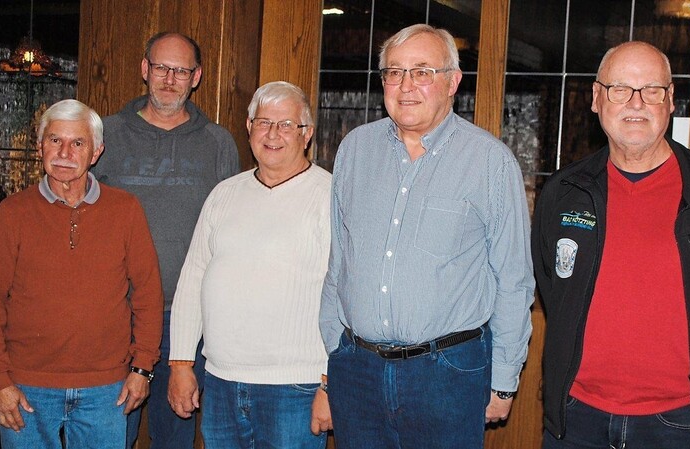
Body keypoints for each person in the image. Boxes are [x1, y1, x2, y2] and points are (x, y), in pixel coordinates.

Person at [532, 41, 690, 449]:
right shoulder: (564, 192)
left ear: (670, 100)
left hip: (683, 422)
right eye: (620, 88)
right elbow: (554, 289)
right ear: (596, 99)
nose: (636, 103)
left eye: (652, 90)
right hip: (576, 419)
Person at [319, 24, 535, 448]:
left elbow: (514, 281)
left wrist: (505, 381)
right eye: (393, 72)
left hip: (447, 375)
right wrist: (335, 350)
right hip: (357, 370)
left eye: (422, 72)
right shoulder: (355, 149)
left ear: (453, 81)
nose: (405, 86)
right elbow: (339, 261)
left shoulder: (490, 161)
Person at [0, 99, 163, 449]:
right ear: (40, 146)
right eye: (54, 140)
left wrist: (142, 368)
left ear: (96, 152)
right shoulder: (13, 213)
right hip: (25, 386)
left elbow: (148, 294)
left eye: (77, 143)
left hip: (107, 388)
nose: (64, 152)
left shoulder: (125, 210)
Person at [92, 31, 240, 449]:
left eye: (181, 70)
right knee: (109, 432)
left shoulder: (218, 143)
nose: (169, 79)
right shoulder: (107, 135)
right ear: (145, 69)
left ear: (196, 77)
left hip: (187, 319)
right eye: (161, 67)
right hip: (117, 315)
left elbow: (232, 231)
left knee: (174, 435)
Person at [167, 81, 332, 449]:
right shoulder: (223, 194)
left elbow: (345, 299)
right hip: (222, 383)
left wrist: (328, 383)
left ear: (306, 135)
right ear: (248, 128)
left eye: (286, 125)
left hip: (295, 389)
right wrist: (180, 363)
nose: (273, 134)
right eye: (263, 123)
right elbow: (193, 280)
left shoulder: (330, 197)